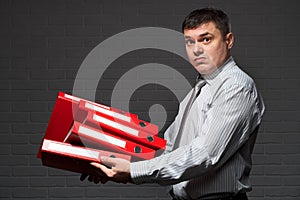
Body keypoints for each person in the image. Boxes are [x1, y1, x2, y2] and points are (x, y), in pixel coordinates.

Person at [81, 8, 265, 200]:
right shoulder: (199, 90)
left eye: (206, 39)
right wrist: (111, 162)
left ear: (228, 41)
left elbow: (205, 154)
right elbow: (169, 148)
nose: (197, 50)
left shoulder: (235, 87)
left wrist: (132, 171)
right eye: (189, 41)